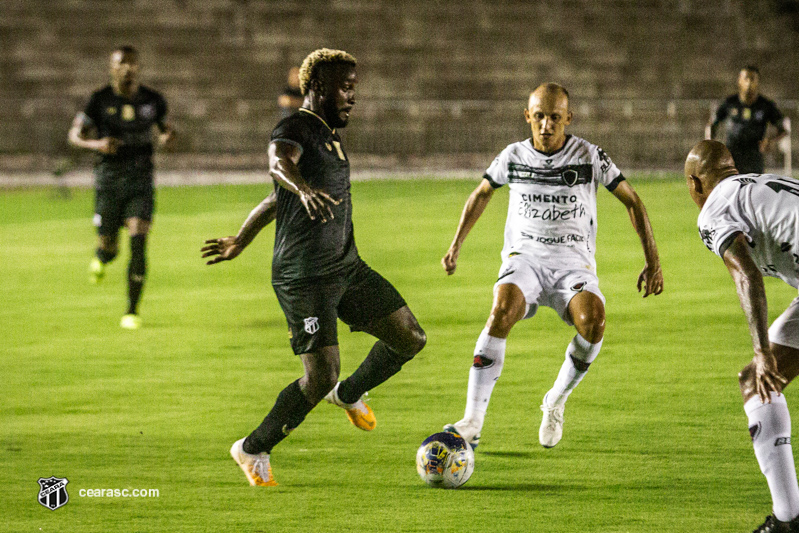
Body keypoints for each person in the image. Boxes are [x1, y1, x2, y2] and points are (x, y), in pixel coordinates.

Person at [201, 48, 426, 487]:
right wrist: (302, 188)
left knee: (410, 337)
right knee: (320, 374)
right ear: (319, 87)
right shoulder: (294, 127)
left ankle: (350, 394)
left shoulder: (329, 136)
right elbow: (277, 165)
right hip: (303, 276)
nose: (352, 97)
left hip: (346, 266)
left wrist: (240, 239)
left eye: (353, 88)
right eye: (346, 87)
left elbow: (273, 199)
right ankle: (252, 448)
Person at [441, 83, 663, 451]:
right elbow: (482, 193)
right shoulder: (513, 156)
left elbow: (633, 201)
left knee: (594, 323)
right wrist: (455, 245)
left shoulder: (589, 156)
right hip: (524, 259)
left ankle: (556, 400)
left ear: (568, 119)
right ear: (527, 116)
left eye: (554, 118)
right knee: (500, 310)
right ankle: (472, 422)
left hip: (573, 265)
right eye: (539, 116)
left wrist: (652, 261)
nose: (546, 125)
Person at [686, 140, 799, 533]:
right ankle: (788, 520)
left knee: (760, 373)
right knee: (756, 383)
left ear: (694, 184)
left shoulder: (715, 206)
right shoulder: (759, 184)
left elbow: (745, 273)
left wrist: (761, 348)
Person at [68, 45, 175, 330]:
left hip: (140, 180)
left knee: (139, 240)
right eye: (121, 64)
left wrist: (167, 137)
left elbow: (165, 130)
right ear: (112, 68)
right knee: (111, 246)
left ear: (138, 67)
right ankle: (102, 256)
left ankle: (131, 311)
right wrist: (97, 144)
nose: (128, 68)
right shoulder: (99, 100)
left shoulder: (153, 100)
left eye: (132, 63)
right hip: (109, 182)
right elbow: (74, 136)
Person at [707, 66, 787, 174]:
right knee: (731, 188)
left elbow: (783, 130)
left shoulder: (766, 105)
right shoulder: (730, 103)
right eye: (746, 78)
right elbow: (712, 124)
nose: (749, 82)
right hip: (731, 155)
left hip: (754, 157)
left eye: (752, 79)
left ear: (758, 82)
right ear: (739, 80)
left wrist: (771, 141)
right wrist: (711, 145)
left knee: (755, 188)